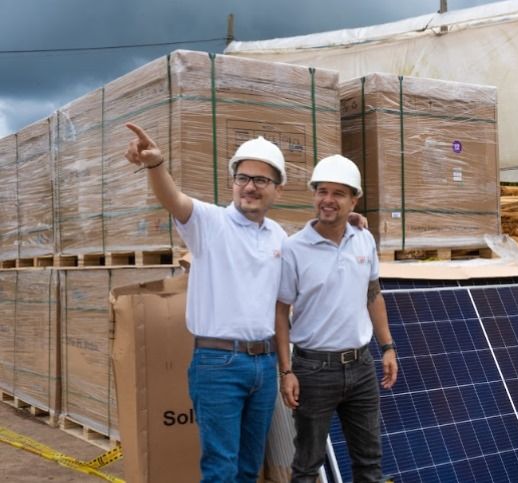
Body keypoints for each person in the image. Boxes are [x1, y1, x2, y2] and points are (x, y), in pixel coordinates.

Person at [124, 125, 366, 483]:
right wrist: (156, 165)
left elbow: (310, 248)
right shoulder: (209, 223)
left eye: (261, 180)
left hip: (265, 365)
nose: (250, 186)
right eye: (243, 177)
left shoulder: (278, 237)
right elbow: (174, 199)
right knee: (220, 467)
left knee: (250, 467)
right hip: (218, 364)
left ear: (277, 190)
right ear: (233, 182)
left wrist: (346, 221)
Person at [275, 154, 398, 483]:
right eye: (322, 191)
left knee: (370, 462)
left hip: (361, 367)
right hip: (313, 371)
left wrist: (387, 347)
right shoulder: (293, 248)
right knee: (306, 466)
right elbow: (280, 312)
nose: (327, 200)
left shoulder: (364, 239)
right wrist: (286, 370)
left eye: (338, 193)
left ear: (354, 199)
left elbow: (373, 294)